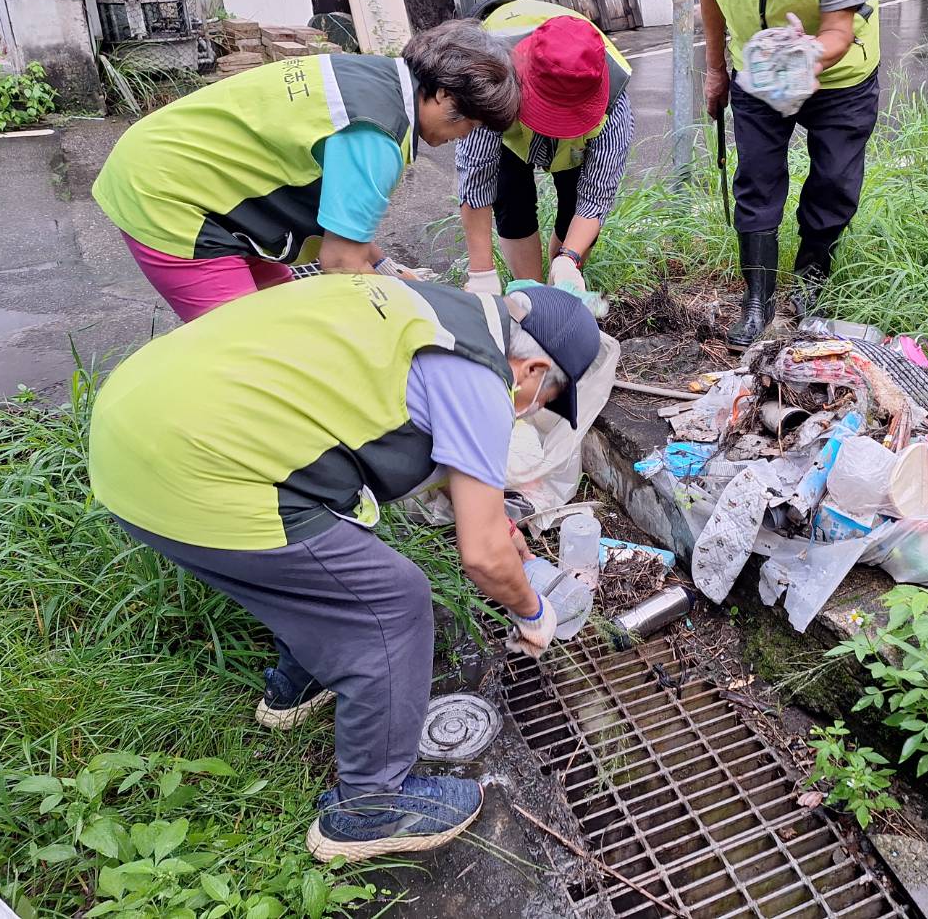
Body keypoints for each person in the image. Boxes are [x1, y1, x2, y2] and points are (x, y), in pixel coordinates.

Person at [89, 273, 600, 860]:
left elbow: (419, 453)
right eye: (546, 404)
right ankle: (371, 806)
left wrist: (499, 527)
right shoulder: (480, 377)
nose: (530, 413)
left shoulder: (428, 308)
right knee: (392, 602)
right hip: (192, 465)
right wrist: (531, 610)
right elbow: (482, 556)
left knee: (326, 560)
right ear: (532, 372)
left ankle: (298, 684)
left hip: (135, 425)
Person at [93, 20, 520, 322]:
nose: (463, 137)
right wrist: (424, 317)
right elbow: (339, 261)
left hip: (183, 164)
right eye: (470, 123)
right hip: (171, 195)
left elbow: (343, 226)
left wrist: (389, 268)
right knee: (250, 349)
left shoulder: (375, 78)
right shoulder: (376, 136)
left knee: (289, 316)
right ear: (445, 94)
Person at [692, 0, 881, 348]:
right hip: (756, 63)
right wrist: (714, 69)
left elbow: (842, 28)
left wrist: (805, 53)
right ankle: (758, 301)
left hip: (837, 69)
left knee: (835, 181)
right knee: (756, 176)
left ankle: (811, 278)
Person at [454, 0, 634, 298]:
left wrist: (569, 261)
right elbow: (476, 180)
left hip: (576, 147)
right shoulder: (489, 76)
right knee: (510, 196)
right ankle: (532, 292)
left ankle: (556, 291)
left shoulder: (613, 105)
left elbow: (594, 200)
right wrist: (481, 272)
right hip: (508, 114)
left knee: (573, 205)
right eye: (549, 115)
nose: (554, 129)